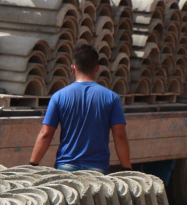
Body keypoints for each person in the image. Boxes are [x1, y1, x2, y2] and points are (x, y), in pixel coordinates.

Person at [29, 45, 132, 173]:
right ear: (97, 68)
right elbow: (120, 135)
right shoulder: (112, 98)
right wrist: (127, 168)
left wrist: (32, 164)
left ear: (73, 68)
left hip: (66, 168)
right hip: (97, 169)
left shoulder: (59, 96)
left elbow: (46, 134)